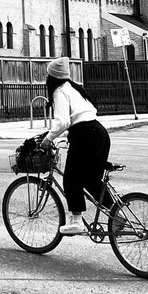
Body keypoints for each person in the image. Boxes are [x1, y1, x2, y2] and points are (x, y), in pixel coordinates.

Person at [40, 56, 111, 236]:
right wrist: (64, 135)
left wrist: (48, 139)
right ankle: (117, 214)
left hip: (85, 136)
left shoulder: (59, 91)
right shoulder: (74, 88)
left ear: (51, 77)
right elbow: (77, 119)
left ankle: (76, 220)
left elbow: (63, 121)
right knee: (92, 180)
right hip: (99, 133)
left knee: (71, 179)